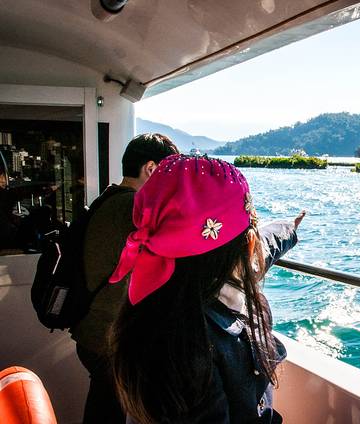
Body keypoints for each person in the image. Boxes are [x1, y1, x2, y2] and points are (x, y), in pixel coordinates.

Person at [108, 154, 304, 423]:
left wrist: (288, 229)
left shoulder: (155, 303)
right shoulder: (191, 353)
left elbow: (265, 246)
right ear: (247, 246)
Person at [70, 133, 179, 424]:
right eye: (169, 175)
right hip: (108, 340)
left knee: (102, 407)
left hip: (91, 331)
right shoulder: (134, 207)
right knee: (109, 413)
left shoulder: (107, 198)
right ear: (151, 169)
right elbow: (177, 245)